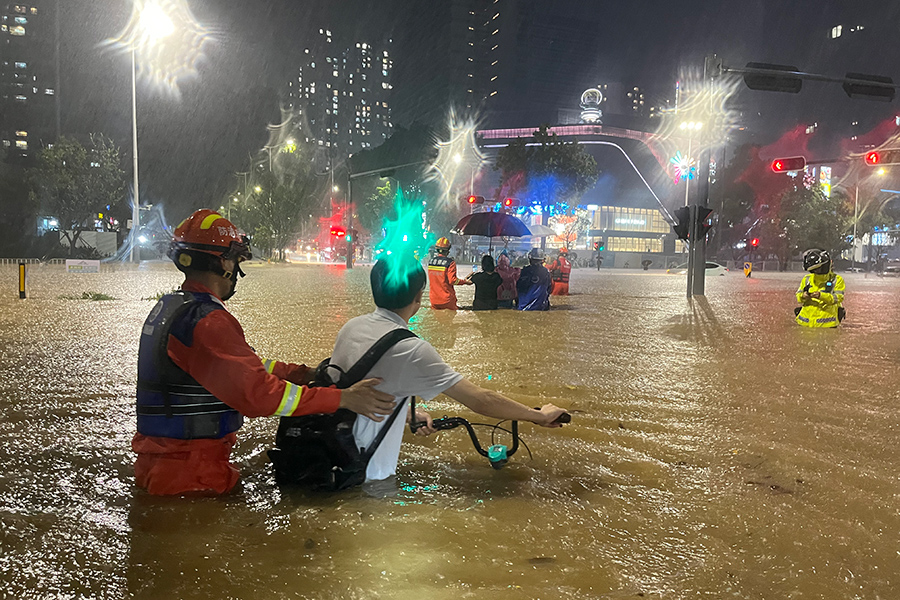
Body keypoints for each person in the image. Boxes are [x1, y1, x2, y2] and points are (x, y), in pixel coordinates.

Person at [133, 209, 395, 495]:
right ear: (223, 262)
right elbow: (258, 395)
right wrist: (343, 398)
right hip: (192, 475)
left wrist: (303, 374)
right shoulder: (208, 322)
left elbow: (243, 369)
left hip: (166, 465)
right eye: (236, 259)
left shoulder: (175, 307)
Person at [325, 256, 567, 482]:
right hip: (367, 475)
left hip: (332, 455)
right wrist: (540, 416)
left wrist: (406, 414)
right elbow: (481, 400)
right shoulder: (411, 349)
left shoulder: (351, 328)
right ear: (419, 298)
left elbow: (354, 391)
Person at [795, 249, 845, 328]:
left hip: (827, 325)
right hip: (804, 323)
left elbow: (838, 298)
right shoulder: (807, 279)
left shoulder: (837, 280)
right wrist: (803, 296)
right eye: (813, 270)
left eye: (818, 268)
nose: (816, 271)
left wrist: (821, 296)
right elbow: (798, 297)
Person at [427, 236, 472, 310]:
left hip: (433, 300)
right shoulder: (450, 263)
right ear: (448, 250)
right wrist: (465, 282)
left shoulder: (431, 262)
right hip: (446, 300)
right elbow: (452, 280)